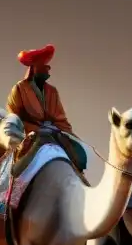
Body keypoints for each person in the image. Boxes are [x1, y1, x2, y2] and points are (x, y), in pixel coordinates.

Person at [6, 43, 88, 172]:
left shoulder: (52, 91)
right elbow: (14, 117)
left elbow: (60, 117)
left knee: (78, 153)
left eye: (48, 67)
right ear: (34, 68)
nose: (48, 70)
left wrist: (59, 129)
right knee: (18, 168)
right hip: (30, 136)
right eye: (44, 67)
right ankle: (16, 184)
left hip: (54, 133)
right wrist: (36, 129)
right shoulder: (19, 89)